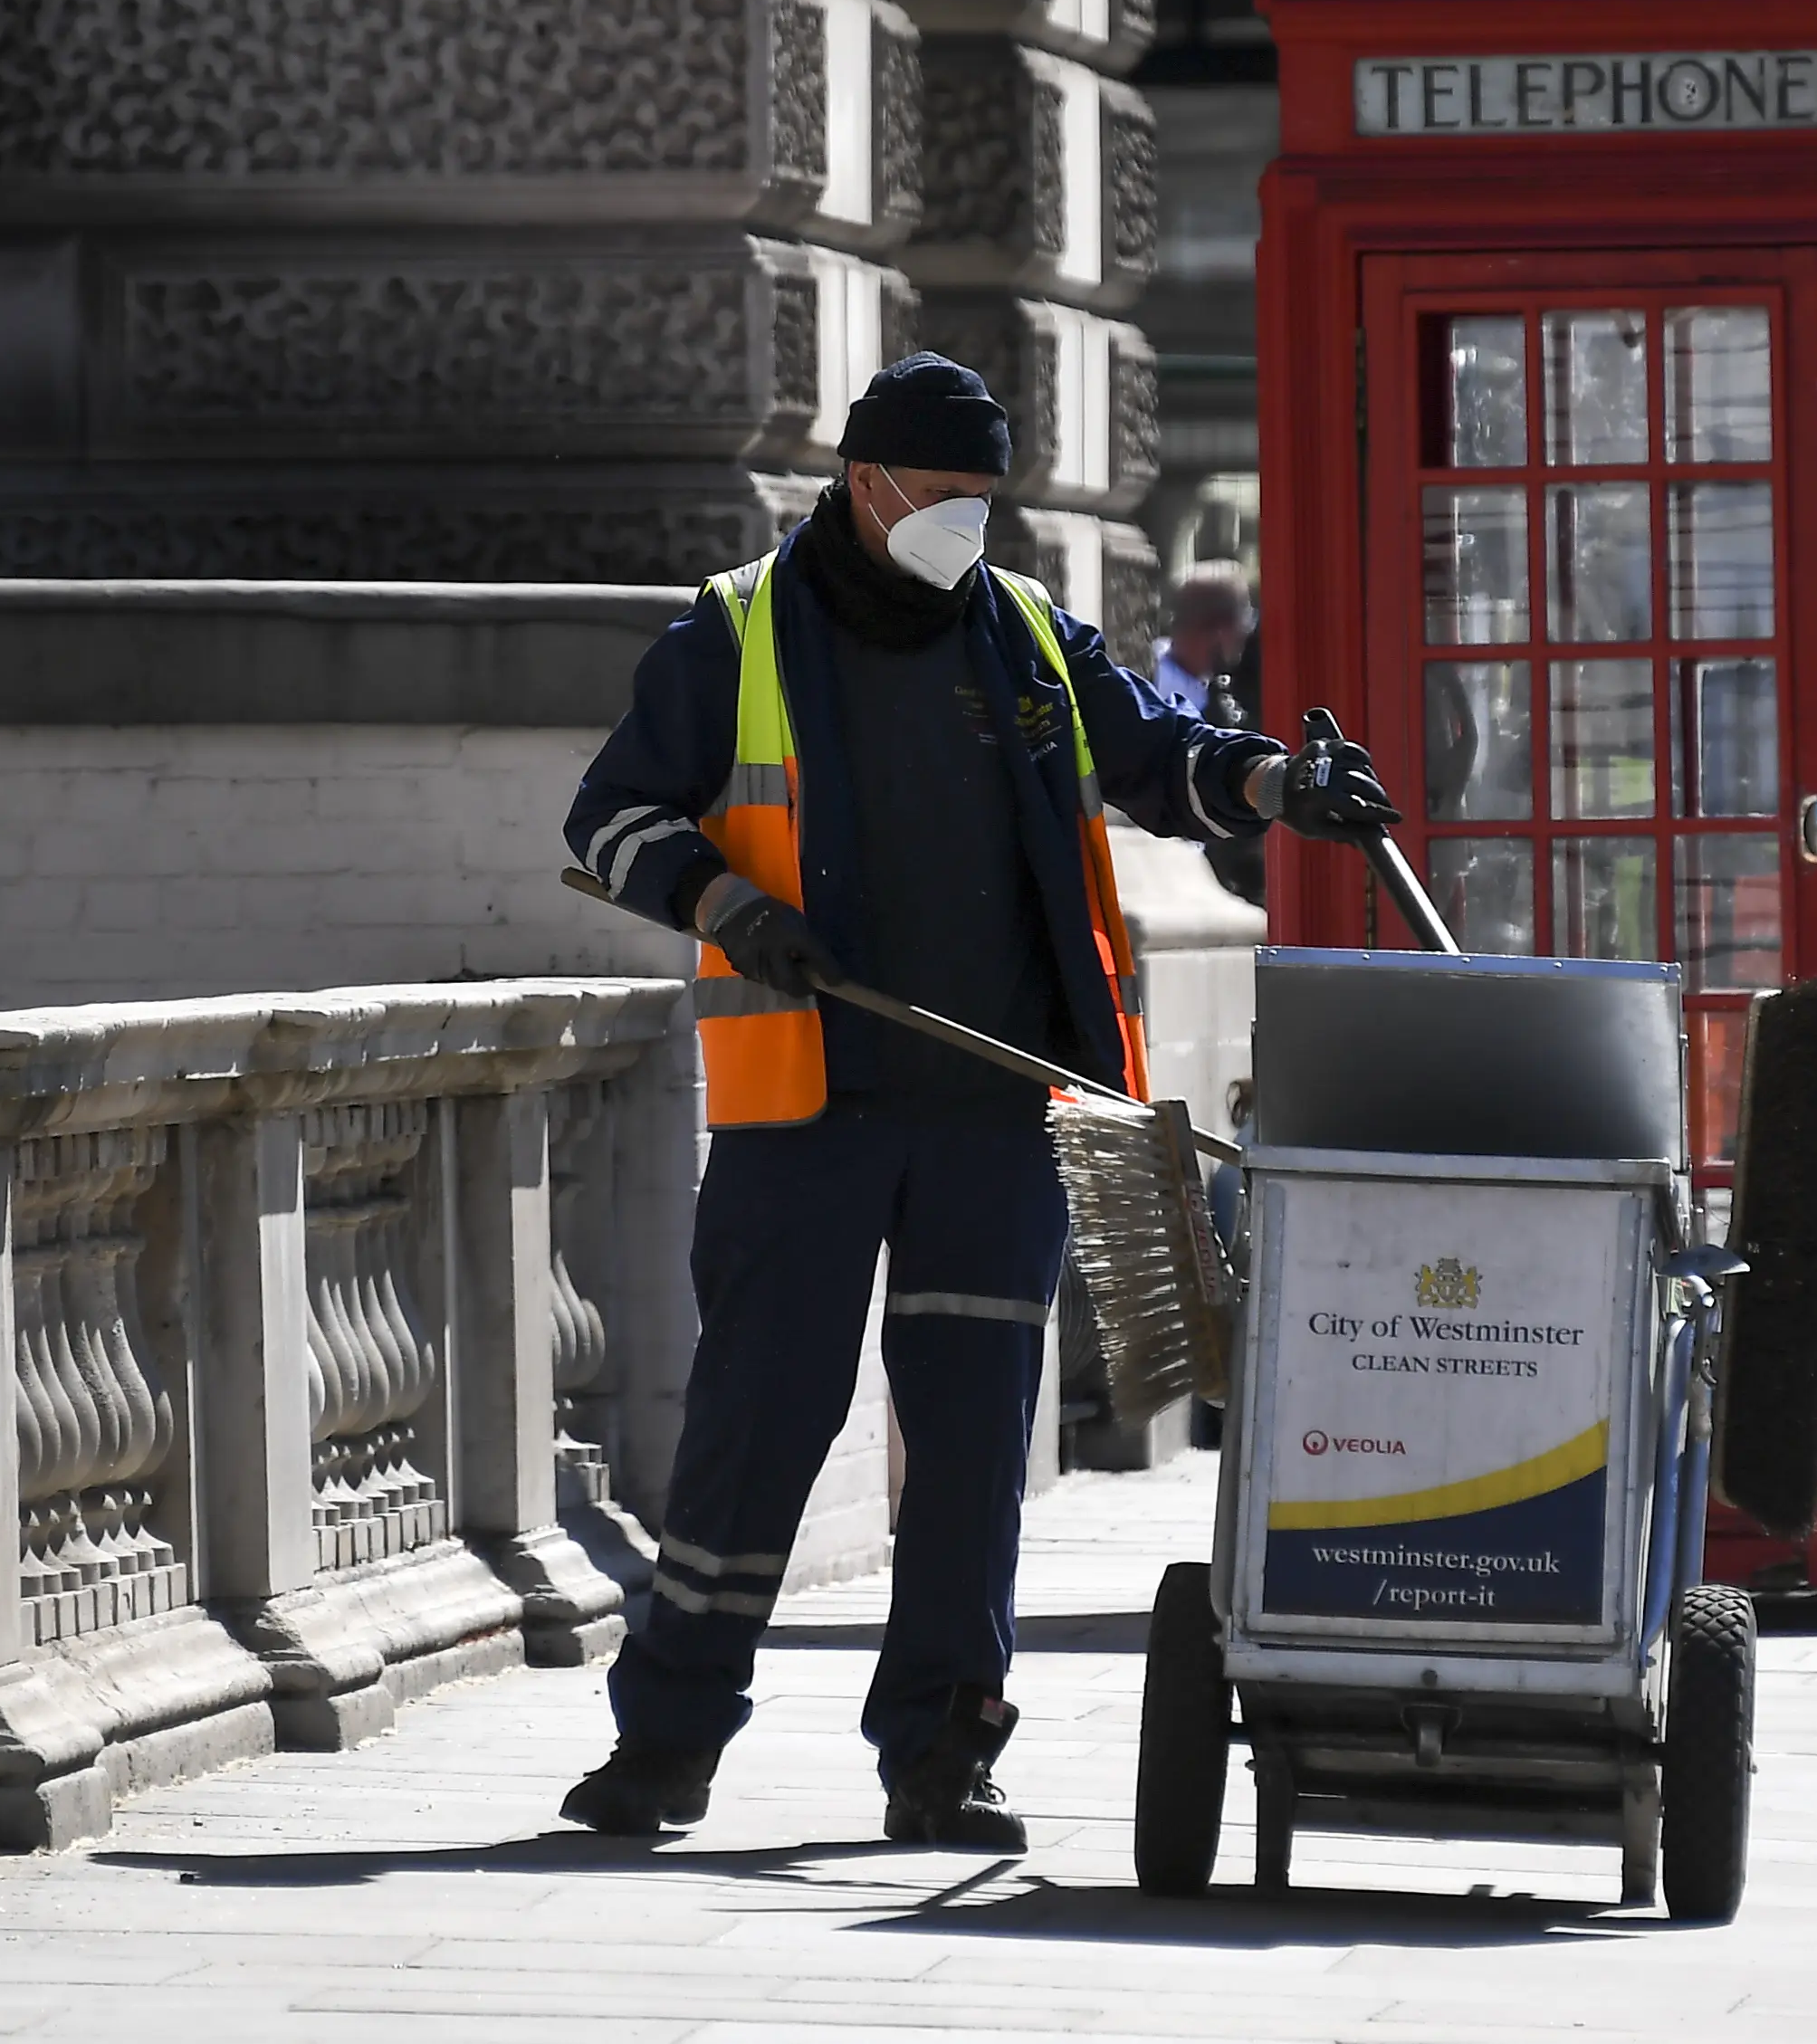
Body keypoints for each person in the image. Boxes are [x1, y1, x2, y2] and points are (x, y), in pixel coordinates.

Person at [552, 353, 1398, 1849]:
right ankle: (666, 1744)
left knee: (969, 1450)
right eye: (944, 492)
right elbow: (610, 815)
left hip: (998, 1115)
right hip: (805, 1111)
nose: (968, 520)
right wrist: (728, 904)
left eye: (985, 496)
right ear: (866, 482)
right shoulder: (737, 628)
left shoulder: (1018, 632)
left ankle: (944, 1752)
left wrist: (1275, 783)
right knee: (759, 1429)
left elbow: (1160, 755)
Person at [1149, 562, 1253, 721]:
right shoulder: (1163, 700)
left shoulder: (1209, 687)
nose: (1245, 631)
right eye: (1243, 620)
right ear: (1219, 631)